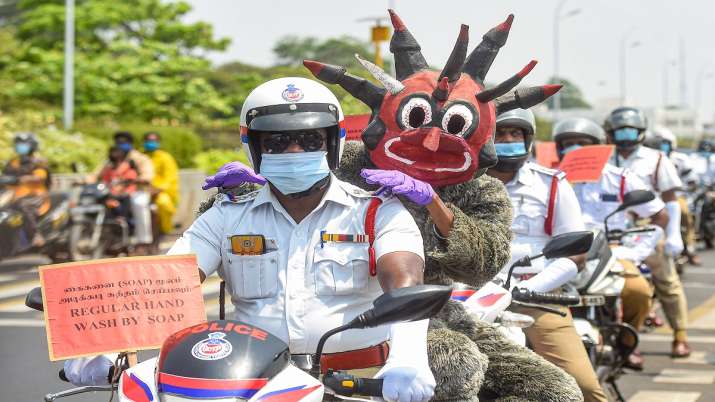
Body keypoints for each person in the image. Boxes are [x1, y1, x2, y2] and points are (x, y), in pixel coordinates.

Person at [202, 10, 584, 401]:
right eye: (418, 119)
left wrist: (432, 202)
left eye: (450, 127)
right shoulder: (345, 162)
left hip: (437, 309)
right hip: (355, 314)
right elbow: (255, 206)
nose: (432, 141)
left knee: (555, 390)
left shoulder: (481, 190)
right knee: (454, 362)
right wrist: (237, 191)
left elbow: (482, 265)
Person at [65, 77, 435, 402]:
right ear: (252, 146)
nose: (293, 151)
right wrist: (105, 343)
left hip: (358, 384)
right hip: (249, 387)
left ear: (333, 141)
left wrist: (409, 357)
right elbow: (164, 283)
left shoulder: (376, 211)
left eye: (309, 139)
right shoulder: (227, 216)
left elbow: (404, 283)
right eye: (275, 141)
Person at [487, 109, 607, 402]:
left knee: (584, 387)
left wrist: (528, 289)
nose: (507, 140)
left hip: (536, 300)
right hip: (474, 300)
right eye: (499, 134)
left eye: (515, 134)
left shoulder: (551, 183)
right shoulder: (462, 184)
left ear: (528, 139)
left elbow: (576, 254)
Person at [553, 116, 668, 370]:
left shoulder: (621, 178)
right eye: (568, 143)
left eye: (582, 143)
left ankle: (628, 342)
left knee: (637, 290)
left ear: (598, 146)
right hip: (559, 253)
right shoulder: (549, 179)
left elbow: (660, 215)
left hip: (612, 251)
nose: (575, 149)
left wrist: (635, 250)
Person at [604, 106, 691, 358]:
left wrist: (673, 235)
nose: (625, 136)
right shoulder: (606, 157)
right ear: (610, 133)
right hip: (614, 227)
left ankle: (680, 335)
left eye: (630, 130)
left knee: (667, 282)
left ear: (641, 132)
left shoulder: (656, 159)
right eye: (619, 131)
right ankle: (628, 341)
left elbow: (670, 200)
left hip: (650, 226)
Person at [644, 127, 701, 266]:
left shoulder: (680, 159)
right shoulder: (646, 159)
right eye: (656, 143)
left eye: (664, 143)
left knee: (685, 213)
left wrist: (688, 186)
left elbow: (691, 179)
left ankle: (691, 248)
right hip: (651, 199)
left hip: (675, 195)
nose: (660, 147)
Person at [2, 132, 51, 247]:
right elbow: (4, 175)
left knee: (22, 205)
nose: (20, 146)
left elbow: (40, 176)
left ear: (32, 146)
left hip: (35, 197)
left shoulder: (38, 162)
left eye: (24, 144)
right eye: (18, 144)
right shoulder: (13, 162)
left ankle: (36, 235)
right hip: (11, 196)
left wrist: (22, 179)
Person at [143, 132, 179, 235]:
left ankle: (165, 231)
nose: (151, 143)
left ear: (158, 142)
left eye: (153, 141)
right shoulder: (141, 156)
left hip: (160, 191)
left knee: (164, 204)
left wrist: (158, 189)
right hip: (142, 190)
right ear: (144, 142)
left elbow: (171, 177)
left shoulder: (165, 157)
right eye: (148, 141)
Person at [96, 146, 139, 219]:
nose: (113, 154)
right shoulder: (109, 170)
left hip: (125, 196)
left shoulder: (129, 170)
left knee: (125, 198)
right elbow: (105, 183)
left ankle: (122, 217)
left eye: (115, 152)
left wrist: (117, 191)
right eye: (111, 152)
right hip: (111, 195)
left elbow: (128, 184)